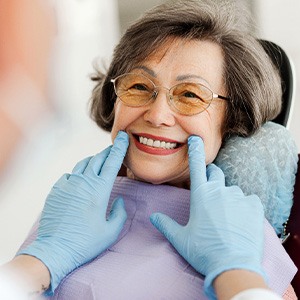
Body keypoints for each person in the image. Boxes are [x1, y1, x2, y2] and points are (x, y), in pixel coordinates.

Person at [5, 0, 297, 299]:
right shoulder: (69, 210)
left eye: (190, 95)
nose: (157, 115)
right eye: (139, 87)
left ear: (232, 119)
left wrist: (236, 273)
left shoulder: (241, 234)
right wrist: (37, 262)